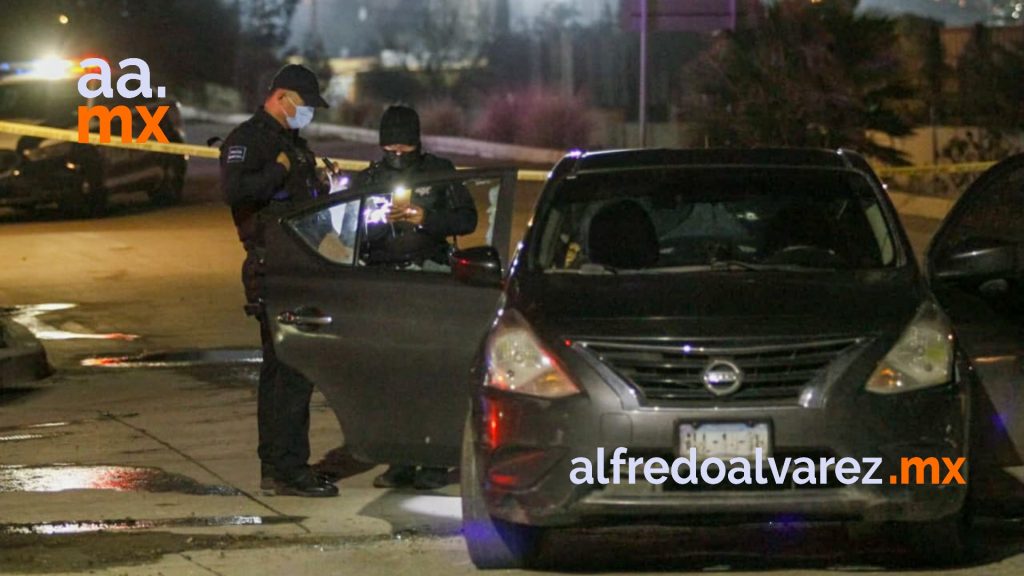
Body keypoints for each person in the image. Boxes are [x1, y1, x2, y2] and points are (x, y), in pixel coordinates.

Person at [220, 64, 338, 498]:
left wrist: (322, 182)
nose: (307, 114)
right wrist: (281, 168)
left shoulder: (291, 144)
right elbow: (236, 191)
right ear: (283, 97)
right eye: (305, 106)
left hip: (298, 265)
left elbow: (303, 201)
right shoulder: (250, 140)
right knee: (291, 370)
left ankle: (280, 466)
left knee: (285, 370)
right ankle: (287, 469)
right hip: (275, 268)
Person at [357, 105, 477, 490]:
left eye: (403, 145)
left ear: (416, 141)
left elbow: (467, 220)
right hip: (385, 284)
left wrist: (423, 217)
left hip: (430, 280)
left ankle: (434, 461)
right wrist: (380, 222)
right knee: (392, 377)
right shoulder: (370, 178)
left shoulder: (439, 171)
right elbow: (349, 233)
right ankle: (399, 460)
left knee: (431, 373)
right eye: (389, 145)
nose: (396, 152)